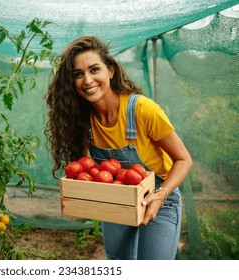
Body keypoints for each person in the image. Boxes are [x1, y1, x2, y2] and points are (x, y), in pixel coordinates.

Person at [44, 36, 192, 260]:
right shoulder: (83, 121)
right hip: (115, 198)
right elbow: (84, 170)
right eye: (78, 74)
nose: (87, 80)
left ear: (110, 70)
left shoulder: (142, 110)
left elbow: (183, 160)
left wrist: (161, 195)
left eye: (94, 70)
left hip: (158, 198)